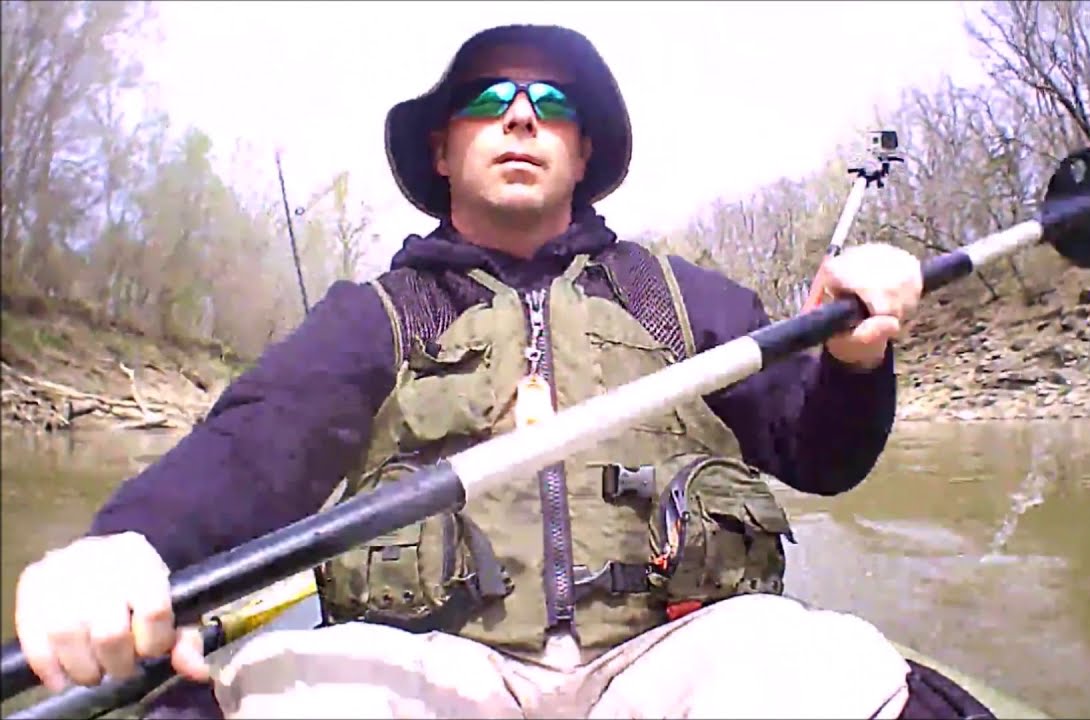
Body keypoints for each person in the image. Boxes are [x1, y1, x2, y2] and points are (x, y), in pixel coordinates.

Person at [12, 23, 925, 719]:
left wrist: (853, 354)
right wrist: (129, 545)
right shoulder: (376, 312)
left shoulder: (679, 297)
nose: (522, 116)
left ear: (583, 156)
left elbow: (823, 453)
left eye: (552, 106)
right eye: (489, 101)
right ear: (445, 151)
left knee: (828, 668)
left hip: (675, 651)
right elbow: (252, 446)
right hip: (436, 668)